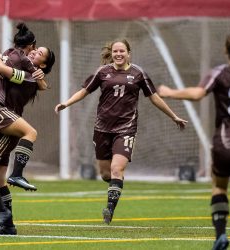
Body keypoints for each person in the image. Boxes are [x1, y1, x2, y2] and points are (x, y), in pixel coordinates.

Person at [55, 39, 187, 225]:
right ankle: (115, 184)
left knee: (117, 169)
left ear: (128, 53)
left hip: (126, 128)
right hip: (102, 128)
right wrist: (66, 103)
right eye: (116, 51)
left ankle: (109, 209)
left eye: (122, 51)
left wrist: (173, 116)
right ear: (112, 53)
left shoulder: (138, 73)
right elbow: (84, 91)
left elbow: (154, 97)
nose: (118, 54)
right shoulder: (102, 72)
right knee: (105, 174)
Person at [157, 32, 230, 250]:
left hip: (226, 143)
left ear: (226, 51)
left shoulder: (220, 74)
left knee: (219, 186)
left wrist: (170, 92)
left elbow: (198, 94)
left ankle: (221, 236)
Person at [0, 22, 55, 234]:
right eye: (35, 49)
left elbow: (1, 67)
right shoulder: (24, 69)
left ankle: (16, 177)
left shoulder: (30, 76)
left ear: (43, 65)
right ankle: (8, 225)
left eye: (39, 53)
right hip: (2, 122)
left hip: (7, 125)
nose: (34, 53)